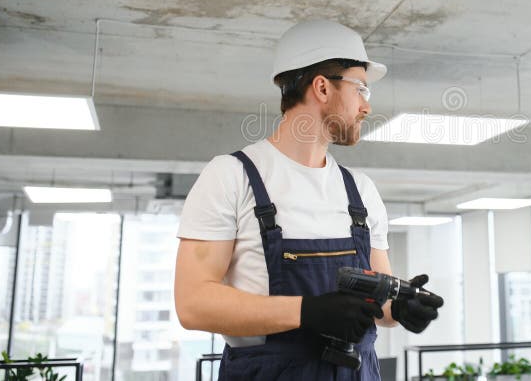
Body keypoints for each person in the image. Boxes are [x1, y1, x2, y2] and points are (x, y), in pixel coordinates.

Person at [174, 19, 444, 380]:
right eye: (360, 88)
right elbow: (193, 303)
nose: (366, 106)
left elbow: (381, 300)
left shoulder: (360, 191)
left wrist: (401, 304)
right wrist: (306, 312)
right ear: (321, 87)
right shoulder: (232, 177)